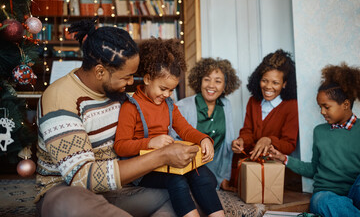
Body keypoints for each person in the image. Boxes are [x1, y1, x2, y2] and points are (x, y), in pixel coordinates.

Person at [35, 18, 200, 217]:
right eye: (126, 77)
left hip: (119, 190)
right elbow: (81, 178)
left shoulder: (120, 95)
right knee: (73, 203)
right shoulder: (60, 97)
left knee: (179, 199)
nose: (132, 81)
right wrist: (162, 155)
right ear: (100, 72)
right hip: (66, 191)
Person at [114, 38, 225, 217]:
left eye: (171, 90)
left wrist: (204, 139)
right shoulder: (131, 106)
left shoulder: (169, 104)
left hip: (166, 161)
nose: (167, 95)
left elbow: (186, 130)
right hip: (142, 169)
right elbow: (120, 146)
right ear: (148, 78)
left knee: (201, 173)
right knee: (176, 179)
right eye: (163, 89)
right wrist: (150, 142)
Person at [269, 63, 360, 217]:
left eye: (326, 106)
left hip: (354, 192)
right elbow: (313, 169)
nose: (322, 111)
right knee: (325, 202)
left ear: (345, 105)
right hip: (326, 194)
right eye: (320, 106)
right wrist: (284, 159)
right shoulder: (320, 131)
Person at [171, 57, 241, 191]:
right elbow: (172, 143)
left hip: (216, 176)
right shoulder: (183, 106)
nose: (211, 85)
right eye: (207, 79)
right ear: (199, 81)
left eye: (218, 81)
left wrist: (223, 178)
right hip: (188, 173)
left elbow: (227, 147)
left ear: (225, 85)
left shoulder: (226, 105)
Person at [231, 49, 298, 186]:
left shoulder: (291, 106)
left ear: (285, 84)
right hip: (249, 162)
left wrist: (268, 140)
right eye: (264, 81)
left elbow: (289, 145)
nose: (268, 87)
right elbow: (247, 131)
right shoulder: (253, 101)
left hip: (272, 167)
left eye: (275, 83)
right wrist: (241, 141)